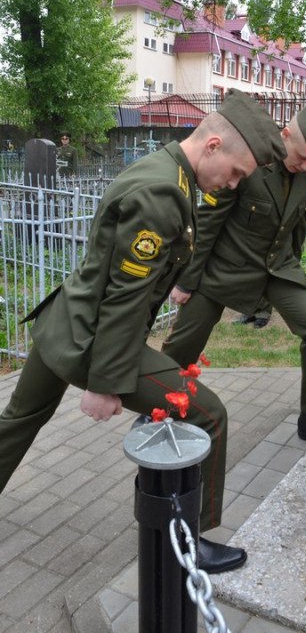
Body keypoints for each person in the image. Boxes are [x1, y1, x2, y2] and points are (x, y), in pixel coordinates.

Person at [0, 89, 287, 575]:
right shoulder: (164, 193)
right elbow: (126, 296)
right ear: (213, 146)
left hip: (66, 322)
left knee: (19, 420)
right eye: (236, 173)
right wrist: (105, 383)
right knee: (208, 412)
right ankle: (191, 542)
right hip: (96, 340)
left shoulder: (167, 170)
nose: (235, 184)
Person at [162, 93, 306, 451]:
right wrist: (187, 279)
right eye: (304, 157)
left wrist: (292, 271)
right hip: (225, 268)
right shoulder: (249, 159)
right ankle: (158, 401)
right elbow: (209, 223)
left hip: (278, 267)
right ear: (286, 135)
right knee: (186, 339)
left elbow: (299, 223)